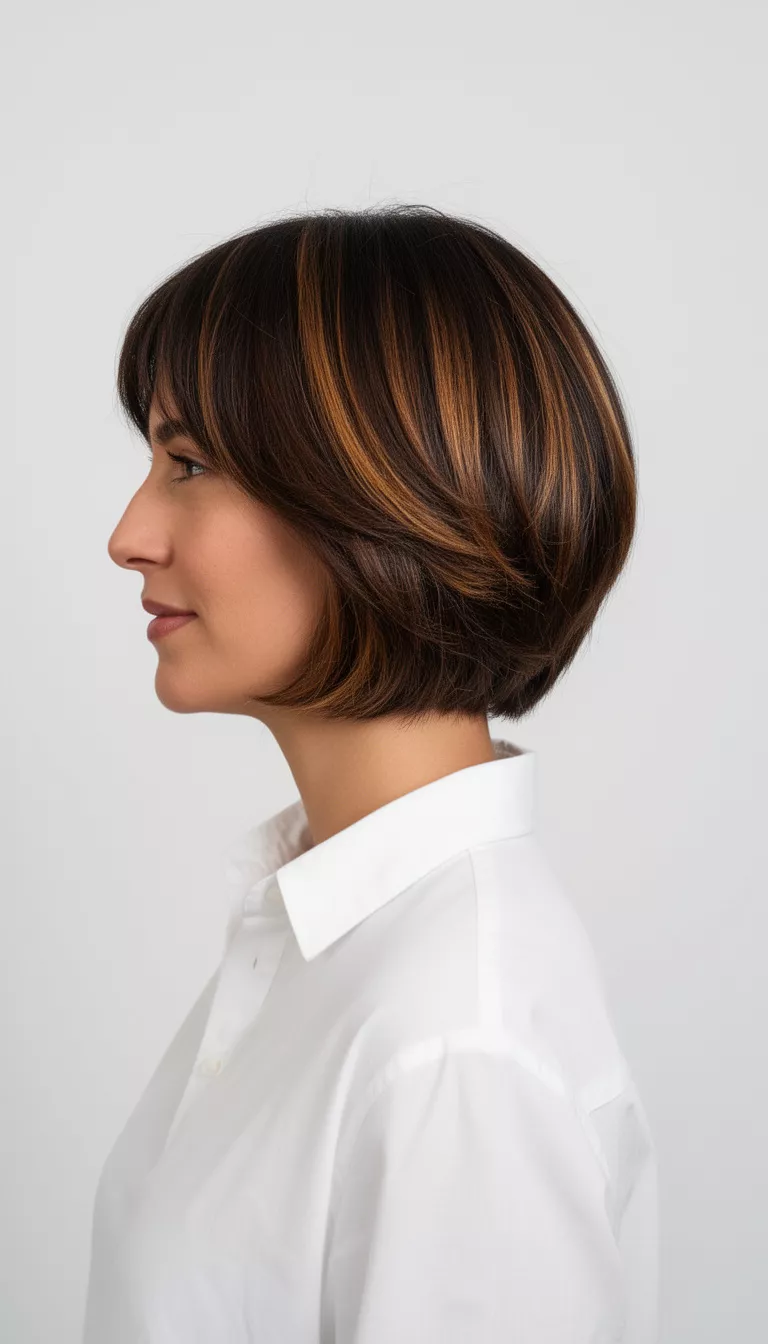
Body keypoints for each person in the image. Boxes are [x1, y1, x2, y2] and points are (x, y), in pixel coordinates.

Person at [84, 204, 658, 1342]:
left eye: (188, 463)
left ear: (387, 502)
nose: (129, 533)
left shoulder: (453, 1045)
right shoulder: (343, 948)